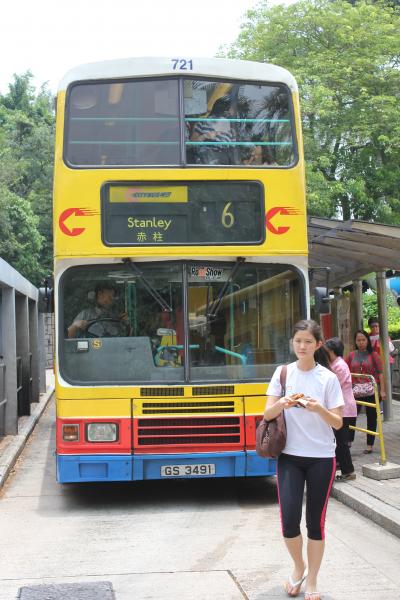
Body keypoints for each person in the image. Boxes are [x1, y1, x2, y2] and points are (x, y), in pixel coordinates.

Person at [264, 319, 343, 600]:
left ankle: (313, 582)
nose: (302, 346)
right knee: (288, 521)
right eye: (298, 341)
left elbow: (337, 423)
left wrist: (318, 408)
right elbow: (266, 415)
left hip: (322, 458)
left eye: (308, 341)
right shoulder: (282, 373)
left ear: (318, 344)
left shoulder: (328, 378)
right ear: (292, 343)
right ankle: (299, 567)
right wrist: (282, 403)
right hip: (290, 457)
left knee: (315, 523)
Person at [345, 330, 385, 454]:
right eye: (358, 340)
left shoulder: (374, 355)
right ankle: (349, 441)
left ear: (367, 341)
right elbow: (345, 370)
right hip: (356, 390)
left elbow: (381, 373)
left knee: (372, 418)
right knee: (351, 416)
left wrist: (382, 390)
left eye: (363, 340)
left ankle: (370, 445)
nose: (361, 342)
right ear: (355, 341)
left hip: (371, 391)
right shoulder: (351, 355)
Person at [325, 337, 357, 481]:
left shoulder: (340, 366)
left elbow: (334, 386)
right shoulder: (334, 364)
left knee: (341, 441)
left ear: (331, 351)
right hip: (339, 408)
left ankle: (348, 471)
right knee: (338, 440)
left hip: (344, 409)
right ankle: (343, 467)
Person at [190, 96, 235, 165]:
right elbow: (191, 144)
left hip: (223, 163)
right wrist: (205, 136)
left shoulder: (231, 130)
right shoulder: (202, 122)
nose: (232, 113)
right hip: (205, 160)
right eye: (230, 110)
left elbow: (233, 151)